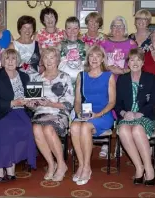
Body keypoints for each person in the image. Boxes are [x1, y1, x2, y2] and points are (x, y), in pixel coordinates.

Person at [0, 49, 37, 182]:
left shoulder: (25, 76)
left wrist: (31, 104)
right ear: (2, 61)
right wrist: (12, 103)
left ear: (18, 61)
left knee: (26, 129)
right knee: (5, 132)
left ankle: (10, 165)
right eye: (7, 58)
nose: (10, 61)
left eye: (13, 58)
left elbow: (29, 99)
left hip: (19, 112)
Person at [70, 45, 115, 185]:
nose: (94, 59)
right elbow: (77, 100)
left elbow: (112, 102)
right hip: (85, 113)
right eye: (91, 56)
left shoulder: (109, 76)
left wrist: (98, 114)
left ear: (102, 59)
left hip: (103, 114)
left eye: (98, 56)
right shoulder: (81, 76)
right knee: (74, 127)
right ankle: (82, 165)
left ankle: (87, 167)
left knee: (85, 128)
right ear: (88, 58)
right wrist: (78, 113)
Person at [28, 47, 74, 182]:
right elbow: (34, 104)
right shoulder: (36, 78)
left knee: (48, 128)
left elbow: (69, 104)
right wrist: (31, 104)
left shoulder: (64, 77)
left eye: (52, 57)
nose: (49, 61)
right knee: (36, 128)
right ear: (42, 60)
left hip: (59, 112)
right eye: (46, 57)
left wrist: (50, 104)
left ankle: (61, 164)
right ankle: (51, 164)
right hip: (41, 113)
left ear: (58, 60)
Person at [115, 48, 155, 186]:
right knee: (123, 130)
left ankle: (149, 169)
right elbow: (117, 104)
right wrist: (124, 113)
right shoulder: (122, 79)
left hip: (145, 115)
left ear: (143, 62)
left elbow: (154, 102)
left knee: (137, 130)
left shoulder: (150, 78)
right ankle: (139, 167)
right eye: (132, 59)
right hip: (127, 117)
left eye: (138, 59)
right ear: (128, 63)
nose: (135, 62)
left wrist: (138, 113)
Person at [99, 16, 137, 158]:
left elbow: (136, 63)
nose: (117, 29)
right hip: (106, 80)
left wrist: (122, 71)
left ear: (125, 28)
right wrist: (109, 68)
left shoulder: (132, 43)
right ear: (111, 28)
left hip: (124, 80)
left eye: (121, 26)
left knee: (122, 110)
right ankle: (105, 143)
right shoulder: (104, 42)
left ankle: (121, 144)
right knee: (107, 109)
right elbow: (97, 60)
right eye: (115, 26)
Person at [58, 16, 87, 86]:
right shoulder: (60, 45)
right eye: (69, 28)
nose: (72, 31)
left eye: (75, 28)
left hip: (81, 81)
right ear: (65, 30)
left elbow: (88, 65)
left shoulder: (85, 46)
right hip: (63, 81)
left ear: (79, 30)